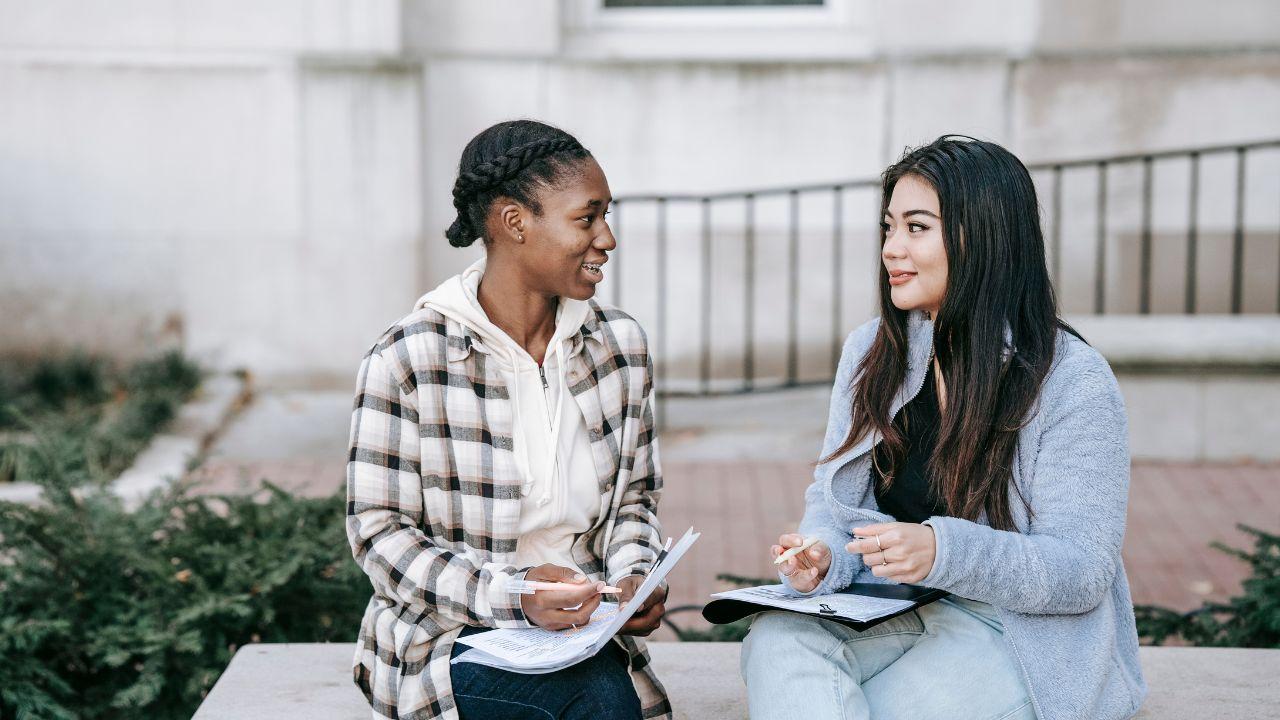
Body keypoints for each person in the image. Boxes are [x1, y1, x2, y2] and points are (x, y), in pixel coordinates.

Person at [741, 136, 1147, 720]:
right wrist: (825, 556)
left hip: (1015, 630)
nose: (891, 249)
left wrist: (941, 551)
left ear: (983, 237)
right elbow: (833, 502)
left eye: (917, 228)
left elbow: (1081, 571)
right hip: (891, 607)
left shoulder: (1071, 379)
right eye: (889, 227)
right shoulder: (871, 351)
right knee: (775, 639)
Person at [346, 119, 670, 720]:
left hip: (586, 631)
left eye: (606, 216)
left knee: (595, 691)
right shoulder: (409, 358)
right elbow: (378, 532)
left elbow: (635, 500)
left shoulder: (619, 346)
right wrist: (514, 596)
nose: (607, 238)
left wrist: (634, 578)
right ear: (515, 222)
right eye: (587, 218)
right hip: (447, 636)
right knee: (595, 700)